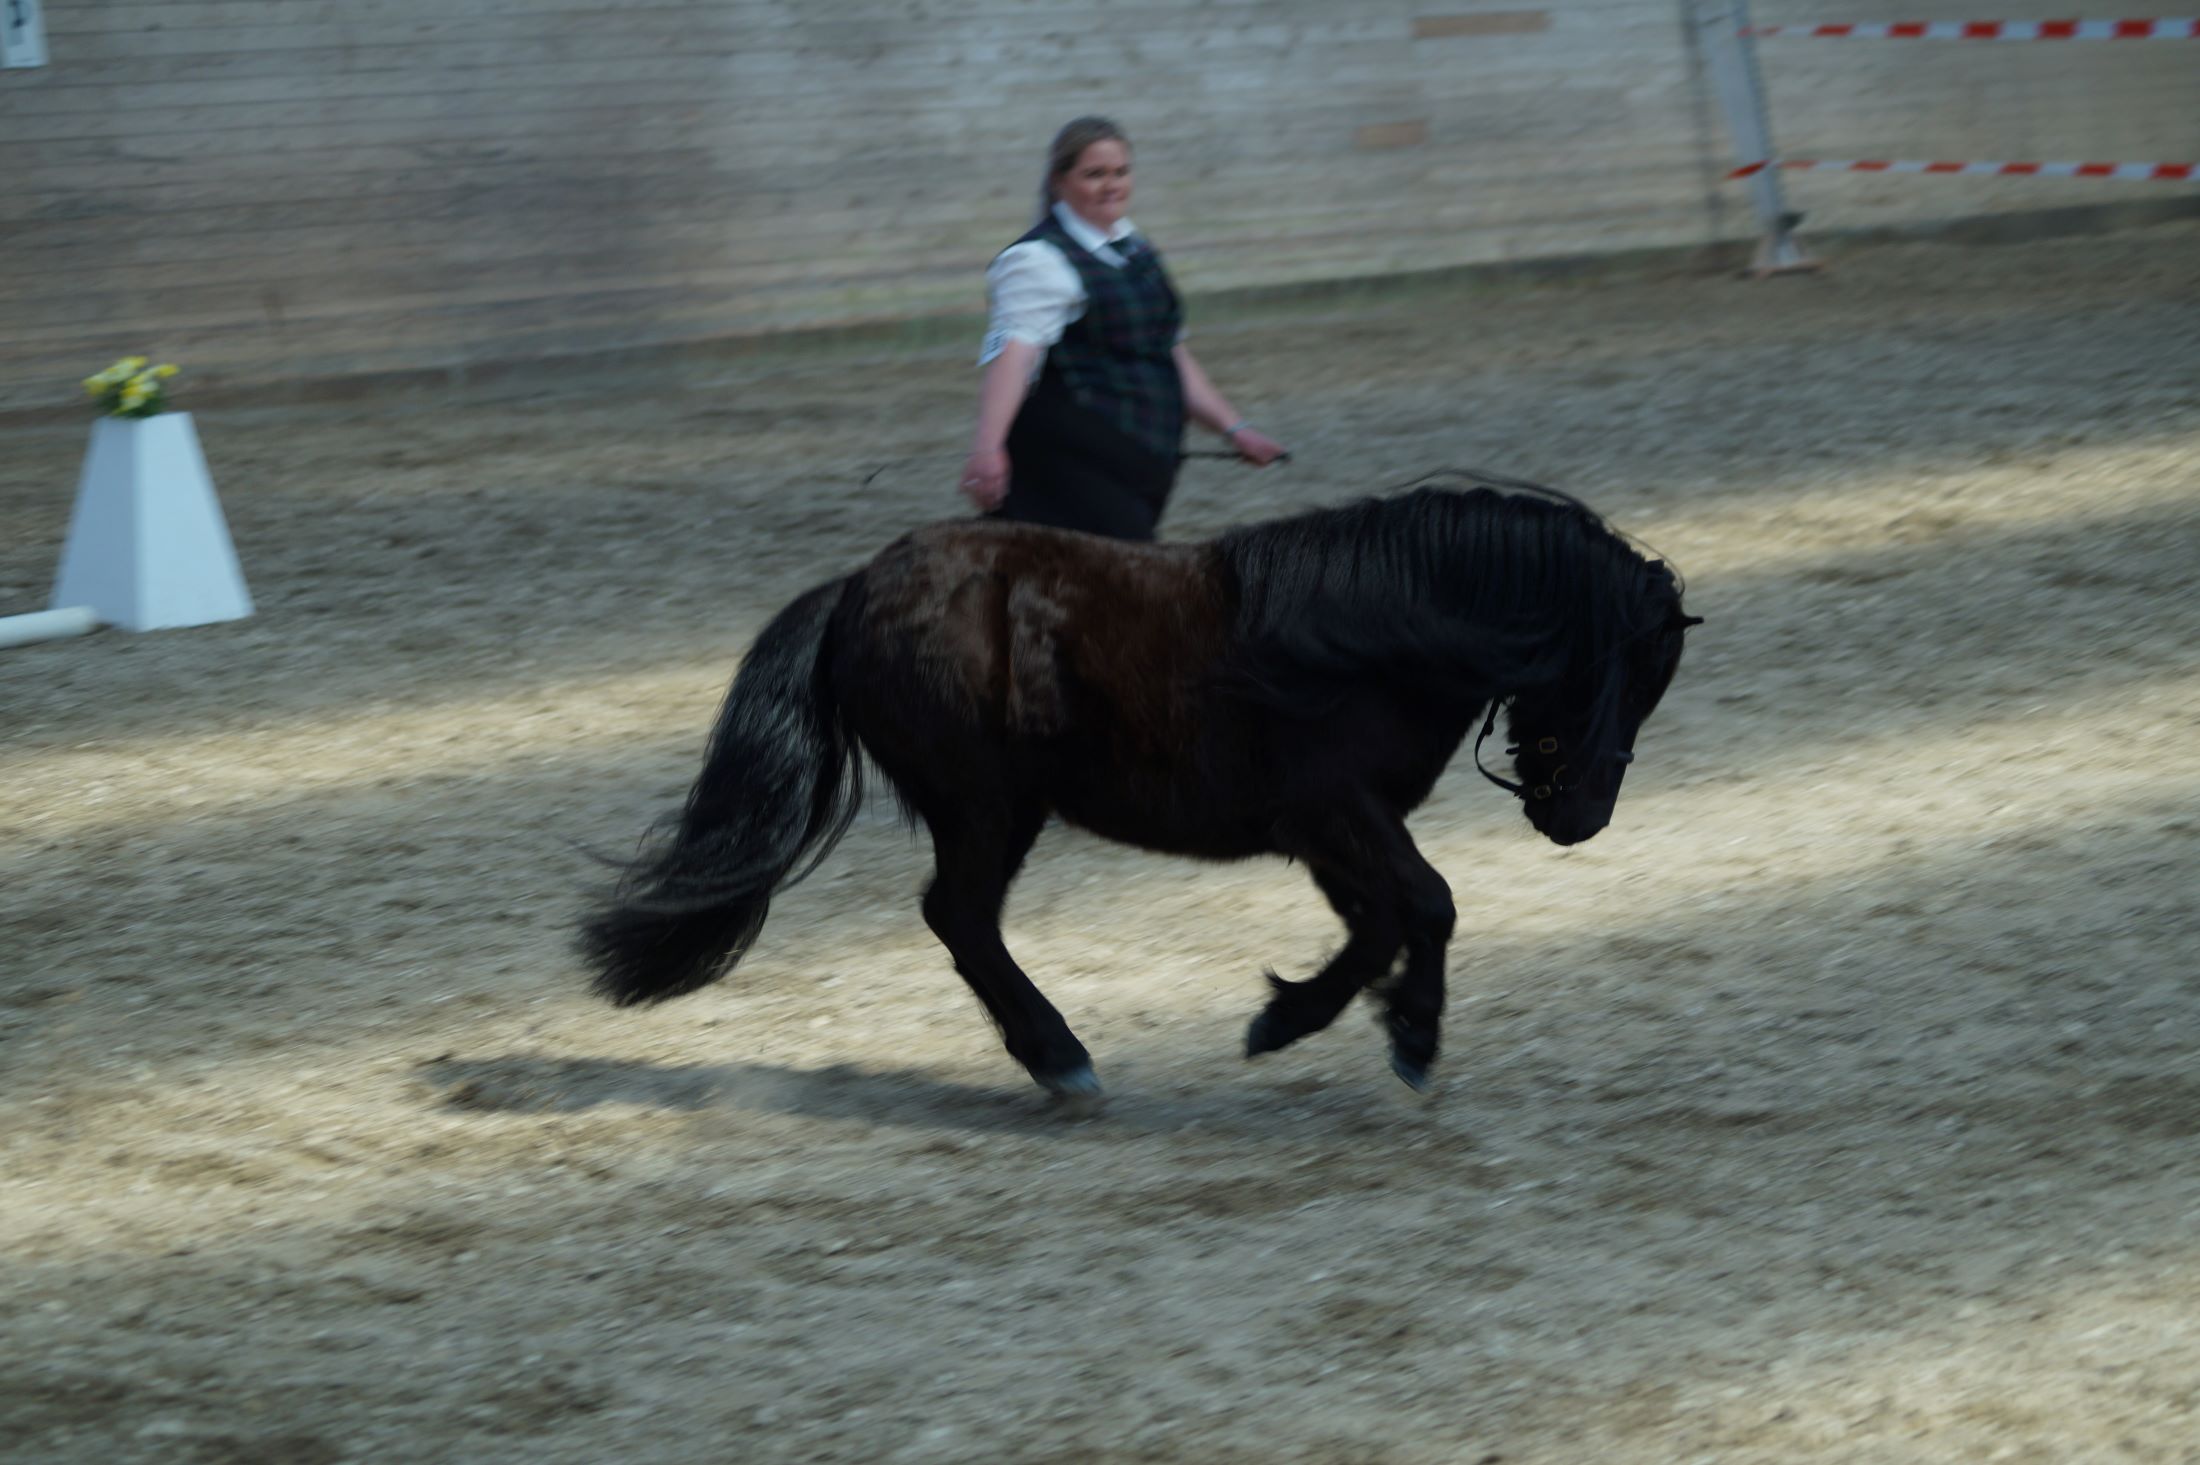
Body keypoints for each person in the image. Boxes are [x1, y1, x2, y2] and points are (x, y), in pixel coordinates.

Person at [958, 116, 1287, 540]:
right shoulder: (1036, 260)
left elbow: (1167, 352)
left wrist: (1236, 430)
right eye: (1094, 174)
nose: (1112, 185)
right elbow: (1014, 356)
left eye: (1121, 172)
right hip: (1072, 459)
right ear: (1059, 181)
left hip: (1144, 457)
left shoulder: (1135, 246)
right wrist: (987, 448)